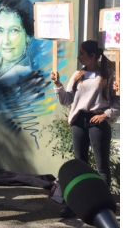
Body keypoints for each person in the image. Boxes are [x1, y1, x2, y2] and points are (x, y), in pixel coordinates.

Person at [51, 40, 119, 218]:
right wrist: (58, 84)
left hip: (98, 119)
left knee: (101, 165)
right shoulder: (78, 75)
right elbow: (66, 100)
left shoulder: (108, 74)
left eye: (82, 53)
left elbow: (117, 100)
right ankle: (76, 205)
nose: (79, 56)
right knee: (80, 164)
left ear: (93, 56)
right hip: (79, 120)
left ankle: (105, 207)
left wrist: (106, 114)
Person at [0, 0, 34, 86]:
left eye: (14, 30)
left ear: (28, 37)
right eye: (0, 30)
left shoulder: (31, 82)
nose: (5, 41)